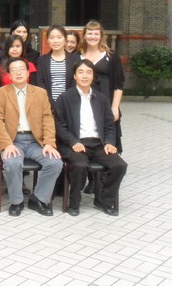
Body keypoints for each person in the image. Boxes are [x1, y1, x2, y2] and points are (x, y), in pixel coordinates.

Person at [54, 59, 128, 216]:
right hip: (75, 143)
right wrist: (73, 142)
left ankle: (103, 200)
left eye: (89, 72)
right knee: (80, 165)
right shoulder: (64, 98)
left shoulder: (101, 98)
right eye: (81, 72)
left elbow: (109, 125)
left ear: (93, 76)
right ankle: (74, 203)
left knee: (119, 165)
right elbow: (60, 126)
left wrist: (109, 142)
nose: (85, 76)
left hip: (98, 143)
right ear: (74, 76)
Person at [0, 57, 62, 217]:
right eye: (14, 70)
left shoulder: (40, 93)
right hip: (12, 141)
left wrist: (49, 143)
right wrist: (7, 144)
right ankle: (16, 201)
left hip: (35, 141)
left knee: (55, 163)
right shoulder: (0, 93)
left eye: (21, 69)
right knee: (12, 163)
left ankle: (38, 199)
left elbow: (47, 118)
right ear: (9, 74)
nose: (18, 72)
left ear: (28, 72)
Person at [78, 20, 125, 151]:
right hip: (83, 102)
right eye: (90, 33)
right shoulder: (77, 55)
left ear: (101, 36)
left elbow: (119, 84)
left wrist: (115, 107)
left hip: (106, 101)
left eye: (96, 34)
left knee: (107, 136)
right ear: (84, 35)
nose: (92, 36)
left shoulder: (111, 56)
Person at [36, 25, 80, 107]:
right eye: (52, 37)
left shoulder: (75, 59)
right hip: (48, 104)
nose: (55, 41)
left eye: (59, 37)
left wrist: (65, 100)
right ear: (48, 40)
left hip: (69, 103)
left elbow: (75, 81)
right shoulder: (42, 60)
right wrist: (51, 102)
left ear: (65, 40)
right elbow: (40, 82)